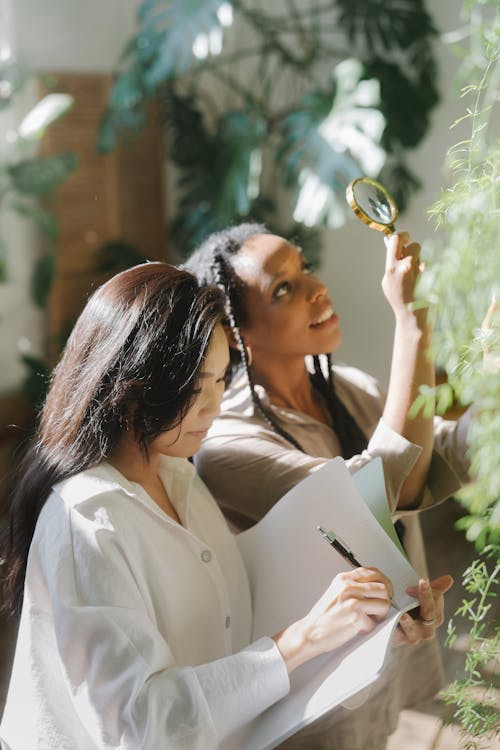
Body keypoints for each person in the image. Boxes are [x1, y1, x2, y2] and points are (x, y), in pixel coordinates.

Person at [0, 262, 448, 750]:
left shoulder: (179, 478)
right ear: (131, 385)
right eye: (196, 391)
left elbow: (237, 648)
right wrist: (305, 638)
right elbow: (142, 727)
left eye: (219, 382)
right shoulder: (87, 520)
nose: (214, 408)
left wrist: (360, 629)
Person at [185, 223, 469, 748]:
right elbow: (368, 499)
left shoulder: (347, 388)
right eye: (283, 288)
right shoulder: (225, 443)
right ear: (235, 330)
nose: (317, 289)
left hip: (386, 662)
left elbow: (438, 455)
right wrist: (411, 326)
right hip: (309, 703)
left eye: (305, 267)